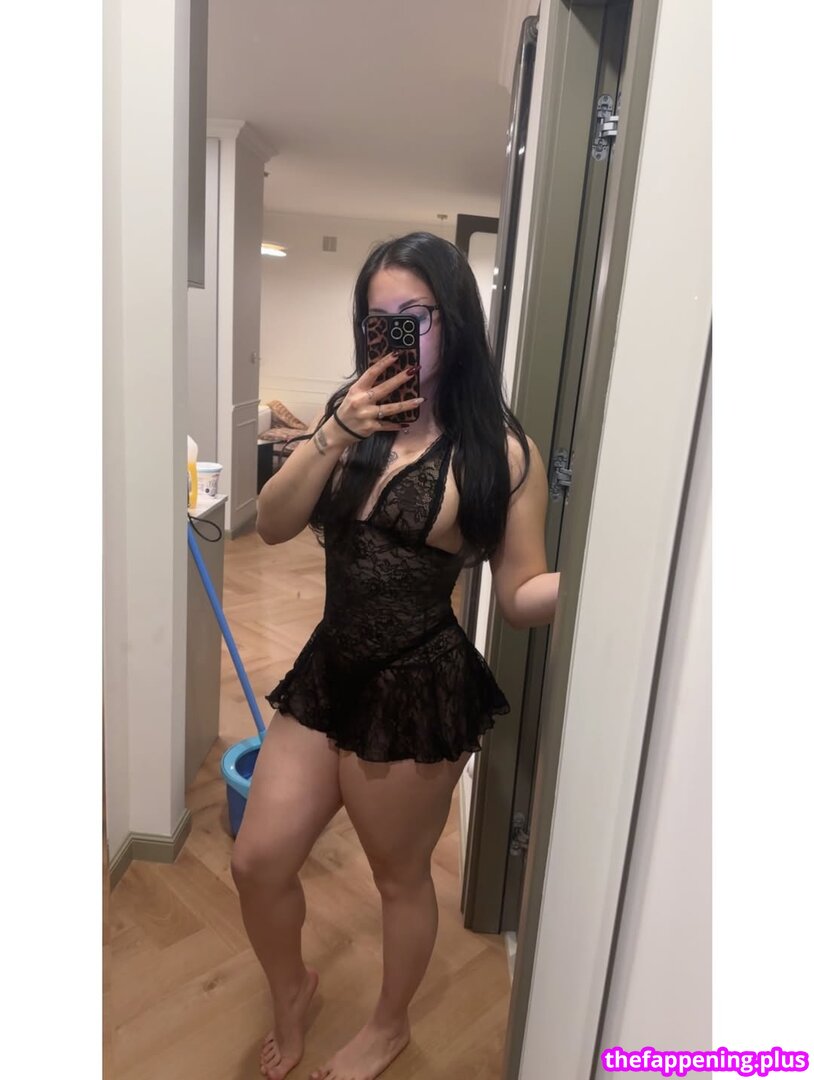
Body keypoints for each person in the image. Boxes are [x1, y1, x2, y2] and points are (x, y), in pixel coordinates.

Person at [232, 232, 560, 1080]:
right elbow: (271, 526)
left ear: (456, 320)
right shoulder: (350, 413)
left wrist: (598, 584)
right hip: (330, 668)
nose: (395, 334)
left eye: (414, 315)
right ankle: (293, 987)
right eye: (378, 318)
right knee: (256, 860)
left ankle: (388, 1025)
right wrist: (334, 432)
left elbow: (521, 594)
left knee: (399, 877)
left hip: (417, 688)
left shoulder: (501, 452)